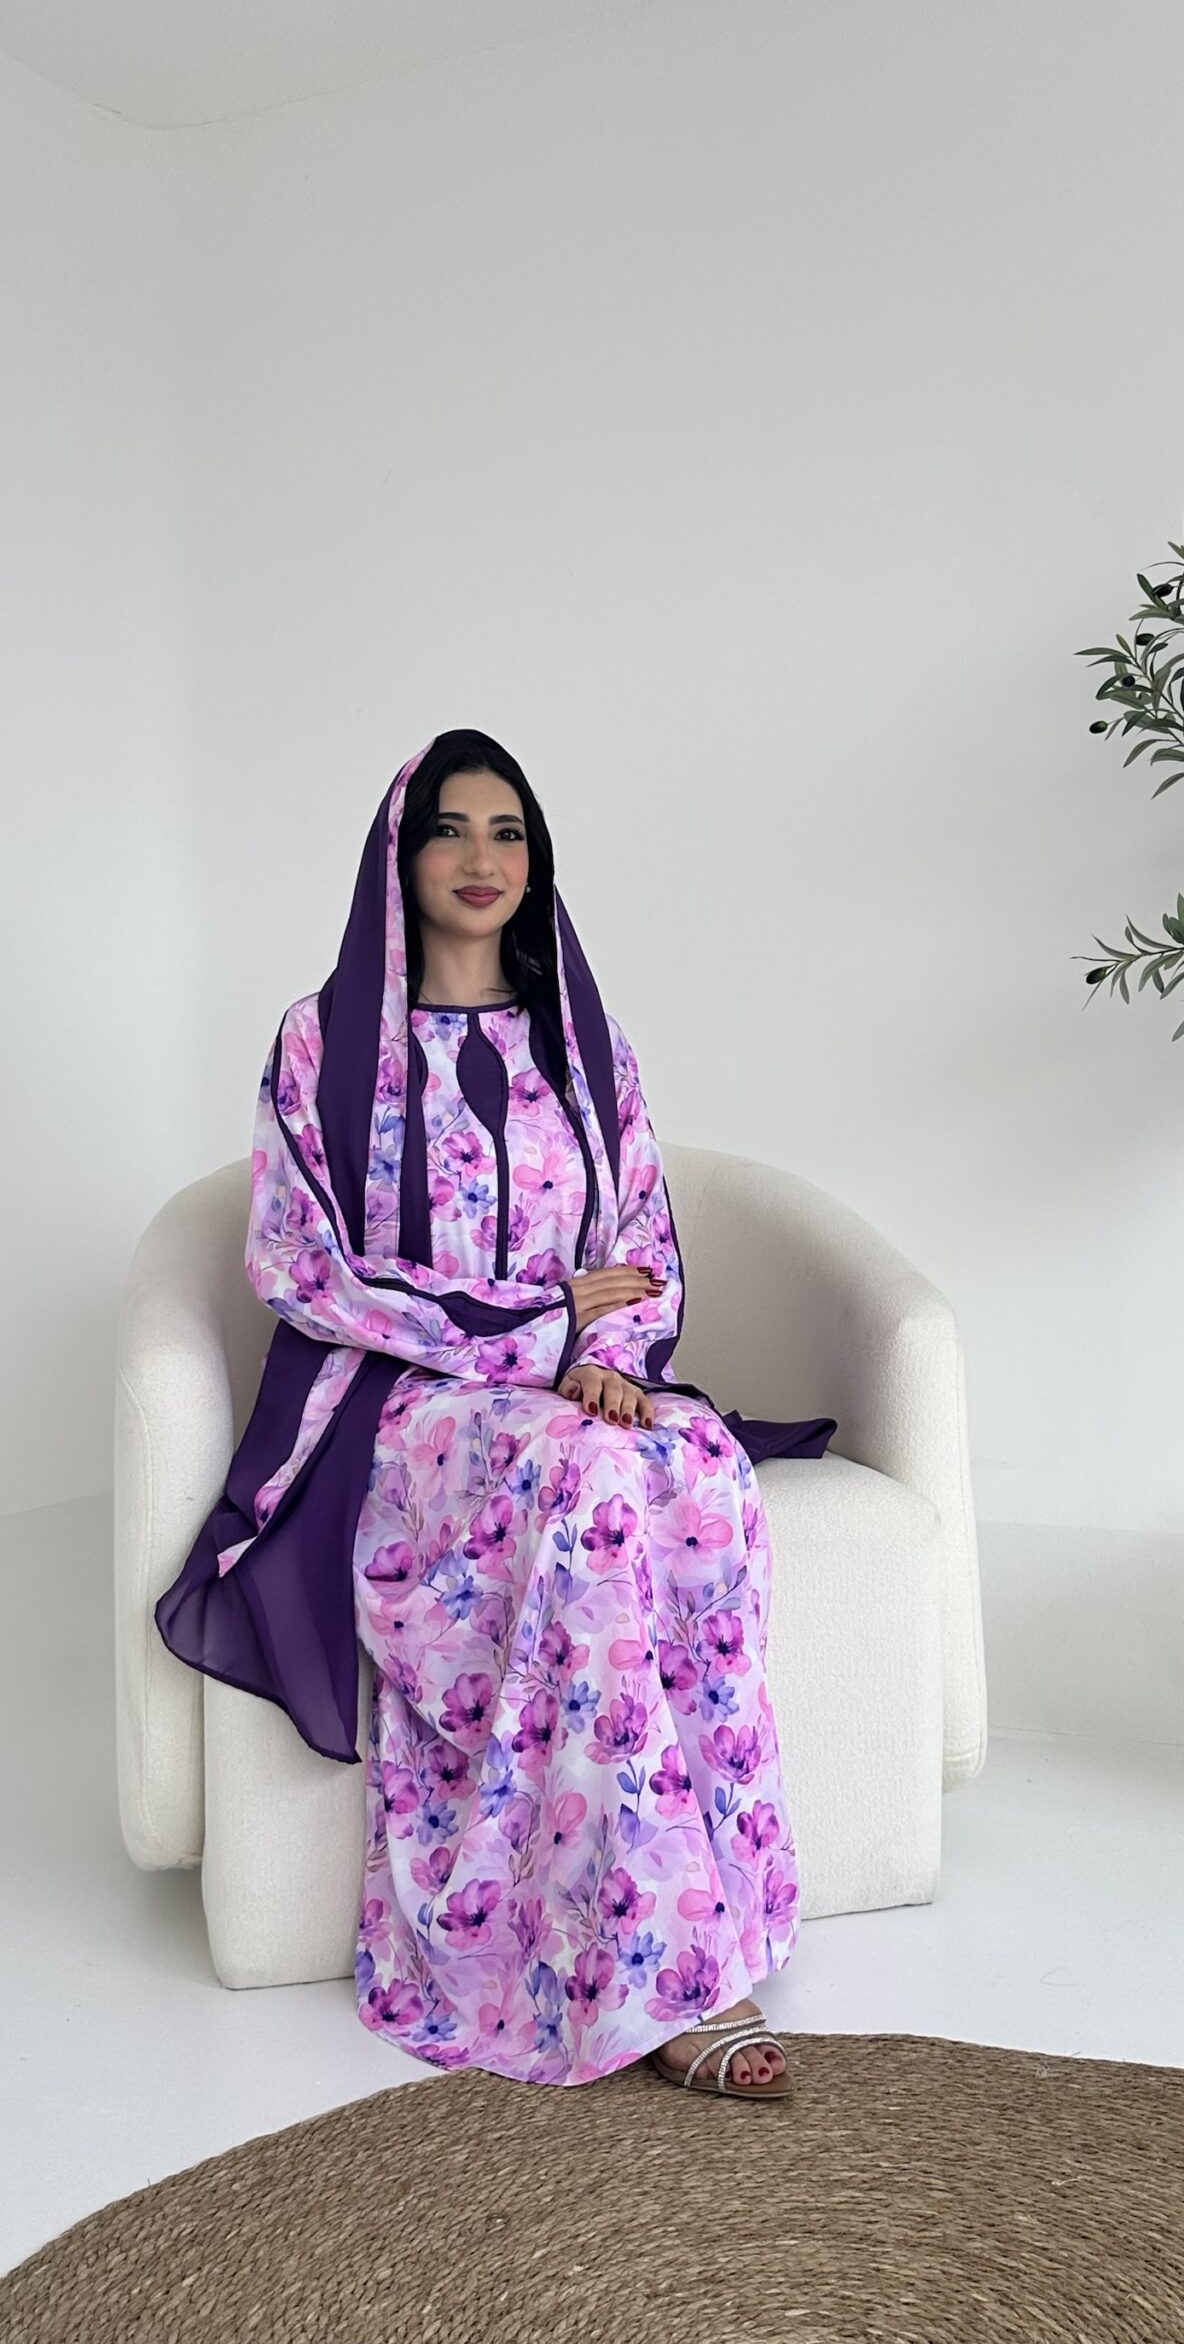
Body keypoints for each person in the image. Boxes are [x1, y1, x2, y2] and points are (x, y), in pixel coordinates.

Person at [156, 729, 836, 2101]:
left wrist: (611, 1351)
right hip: (404, 1409)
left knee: (697, 1465)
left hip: (570, 1390)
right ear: (401, 857)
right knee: (589, 1487)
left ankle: (717, 1903)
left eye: (509, 832)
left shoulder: (585, 1049)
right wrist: (536, 1328)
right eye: (451, 830)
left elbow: (641, 1245)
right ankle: (668, 1978)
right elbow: (299, 1266)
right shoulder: (323, 1043)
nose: (483, 858)